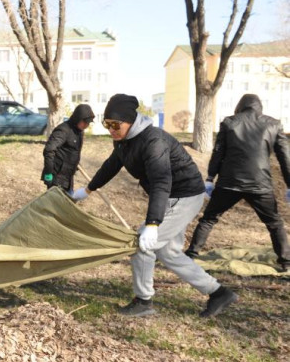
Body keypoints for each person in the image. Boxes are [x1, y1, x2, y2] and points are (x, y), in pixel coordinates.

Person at [70, 94, 238, 318]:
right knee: (168, 253)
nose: (111, 129)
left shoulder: (153, 141)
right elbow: (112, 164)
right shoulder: (123, 140)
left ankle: (143, 300)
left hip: (184, 195)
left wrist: (152, 223)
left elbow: (161, 182)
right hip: (169, 196)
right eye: (106, 124)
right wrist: (88, 189)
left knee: (141, 245)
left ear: (130, 121)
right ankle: (218, 292)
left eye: (115, 124)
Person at [185, 94, 290, 273]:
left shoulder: (229, 122)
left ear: (240, 106)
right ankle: (286, 262)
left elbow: (218, 152)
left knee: (209, 219)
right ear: (259, 107)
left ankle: (191, 255)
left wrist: (210, 178)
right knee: (274, 223)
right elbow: (285, 156)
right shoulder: (273, 124)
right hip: (260, 184)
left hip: (229, 182)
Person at [41, 104, 95, 191]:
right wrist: (48, 173)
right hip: (56, 177)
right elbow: (49, 150)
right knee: (57, 204)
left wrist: (75, 162)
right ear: (78, 118)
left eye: (88, 123)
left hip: (68, 178)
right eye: (85, 122)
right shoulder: (63, 130)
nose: (87, 125)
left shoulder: (79, 132)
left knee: (67, 203)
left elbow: (72, 151)